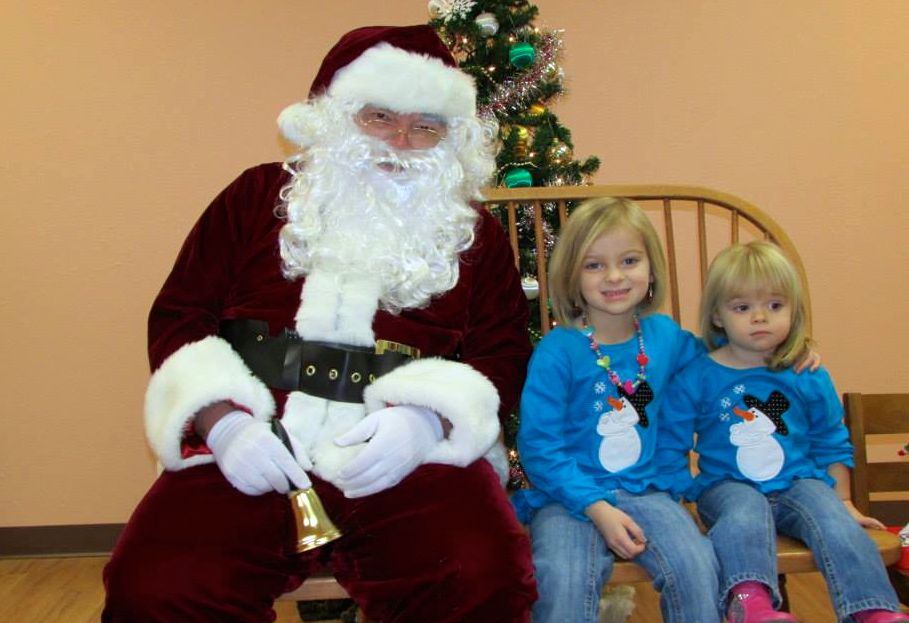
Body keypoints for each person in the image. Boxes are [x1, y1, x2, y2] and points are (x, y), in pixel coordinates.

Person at [102, 25, 537, 623]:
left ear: (451, 139)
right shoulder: (255, 197)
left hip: (403, 454)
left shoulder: (475, 235)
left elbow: (504, 349)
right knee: (159, 583)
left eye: (427, 125)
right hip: (256, 443)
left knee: (480, 571)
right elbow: (181, 315)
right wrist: (221, 422)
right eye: (379, 116)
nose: (402, 141)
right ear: (335, 117)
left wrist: (429, 420)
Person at [659, 241, 908, 623]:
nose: (760, 317)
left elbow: (829, 437)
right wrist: (679, 501)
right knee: (745, 510)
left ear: (794, 310)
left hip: (797, 483)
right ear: (718, 317)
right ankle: (749, 603)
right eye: (743, 307)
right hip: (726, 487)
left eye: (775, 306)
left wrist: (841, 501)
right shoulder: (699, 375)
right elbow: (671, 441)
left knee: (832, 517)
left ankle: (872, 609)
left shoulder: (804, 372)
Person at [512, 197, 724, 623]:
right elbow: (539, 446)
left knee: (697, 564)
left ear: (651, 270)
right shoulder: (559, 351)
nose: (614, 276)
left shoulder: (666, 337)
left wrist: (789, 352)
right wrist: (596, 506)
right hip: (565, 497)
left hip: (646, 491)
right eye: (594, 265)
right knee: (563, 578)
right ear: (572, 276)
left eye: (629, 260)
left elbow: (726, 365)